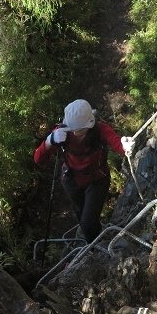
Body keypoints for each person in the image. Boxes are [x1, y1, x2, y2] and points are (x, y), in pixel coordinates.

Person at [34, 99, 135, 244]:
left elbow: (116, 142)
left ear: (90, 124)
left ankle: (95, 249)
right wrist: (50, 141)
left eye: (79, 130)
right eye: (72, 130)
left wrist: (125, 146)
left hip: (97, 180)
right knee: (83, 220)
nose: (75, 133)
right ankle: (94, 244)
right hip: (71, 181)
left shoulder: (100, 130)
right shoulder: (62, 133)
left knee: (88, 222)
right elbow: (38, 159)